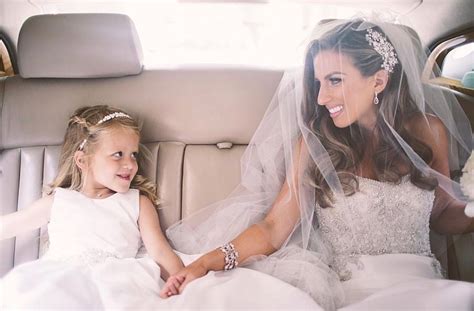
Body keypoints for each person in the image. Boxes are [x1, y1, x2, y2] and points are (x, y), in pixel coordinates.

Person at [163, 18, 474, 310]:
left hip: (427, 291)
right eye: (318, 83)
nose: (322, 97)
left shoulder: (429, 131)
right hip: (354, 295)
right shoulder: (315, 143)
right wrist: (205, 262)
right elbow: (273, 229)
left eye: (334, 80)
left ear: (378, 80)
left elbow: (443, 213)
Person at [0, 105, 184, 309]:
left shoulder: (137, 202)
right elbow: (10, 225)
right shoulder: (59, 202)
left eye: (133, 155)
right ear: (82, 160)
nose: (130, 164)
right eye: (118, 155)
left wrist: (185, 283)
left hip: (116, 285)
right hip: (59, 283)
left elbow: (160, 253)